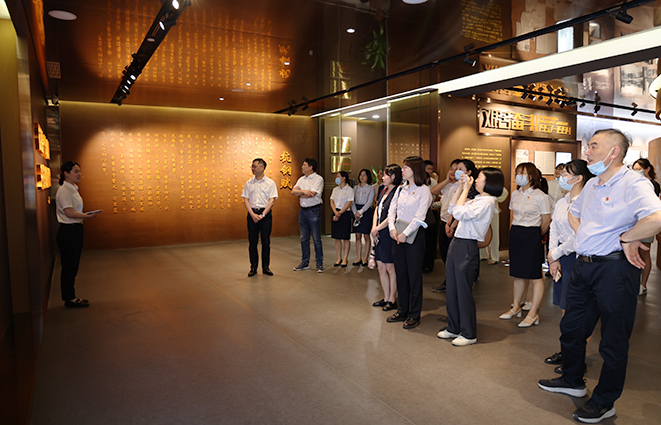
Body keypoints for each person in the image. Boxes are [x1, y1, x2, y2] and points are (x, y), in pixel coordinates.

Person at [538, 129, 661, 424]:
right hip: (584, 267)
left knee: (613, 340)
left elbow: (656, 218)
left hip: (615, 270)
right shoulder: (593, 184)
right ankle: (572, 380)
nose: (587, 151)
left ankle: (605, 402)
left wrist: (626, 237)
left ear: (614, 151)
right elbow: (574, 212)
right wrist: (588, 236)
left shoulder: (634, 183)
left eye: (593, 146)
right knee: (572, 328)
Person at [437, 168, 504, 346]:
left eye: (480, 178)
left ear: (489, 182)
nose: (476, 180)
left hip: (467, 245)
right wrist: (460, 188)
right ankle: (453, 327)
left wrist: (465, 189)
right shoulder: (478, 199)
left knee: (463, 290)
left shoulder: (487, 202)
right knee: (452, 288)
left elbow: (459, 213)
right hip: (457, 243)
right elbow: (453, 208)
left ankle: (468, 333)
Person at [543, 160, 594, 371]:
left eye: (565, 174)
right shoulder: (563, 201)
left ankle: (577, 359)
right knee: (565, 310)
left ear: (579, 178)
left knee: (577, 313)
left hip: (577, 259)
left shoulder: (586, 202)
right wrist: (553, 257)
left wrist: (555, 253)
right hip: (561, 258)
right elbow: (554, 227)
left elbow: (578, 236)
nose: (561, 178)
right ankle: (567, 352)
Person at [500, 162, 551, 327]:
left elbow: (546, 222)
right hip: (516, 233)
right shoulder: (515, 194)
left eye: (522, 173)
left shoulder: (541, 196)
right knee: (518, 273)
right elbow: (513, 216)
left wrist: (536, 235)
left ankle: (533, 313)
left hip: (532, 234)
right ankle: (516, 307)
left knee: (535, 275)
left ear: (531, 176)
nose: (518, 176)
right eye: (517, 172)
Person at [386, 156, 432, 329]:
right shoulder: (400, 189)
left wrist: (405, 233)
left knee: (414, 277)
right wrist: (392, 229)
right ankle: (402, 310)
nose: (402, 170)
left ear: (415, 170)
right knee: (401, 275)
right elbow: (392, 211)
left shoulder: (424, 190)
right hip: (397, 236)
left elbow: (420, 217)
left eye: (406, 168)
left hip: (414, 237)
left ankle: (414, 314)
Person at [55, 161, 102, 308]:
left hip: (75, 230)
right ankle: (69, 299)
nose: (79, 174)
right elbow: (69, 212)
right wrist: (87, 216)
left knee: (73, 265)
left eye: (79, 171)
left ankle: (71, 296)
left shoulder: (73, 189)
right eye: (76, 171)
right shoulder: (64, 191)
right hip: (68, 232)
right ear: (66, 173)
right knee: (69, 266)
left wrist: (84, 216)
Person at [371, 164, 402, 311]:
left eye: (385, 175)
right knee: (381, 267)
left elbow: (392, 216)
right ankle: (385, 297)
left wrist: (378, 228)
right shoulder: (382, 189)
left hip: (389, 232)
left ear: (393, 176)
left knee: (390, 267)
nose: (382, 177)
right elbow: (377, 208)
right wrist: (374, 227)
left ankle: (392, 299)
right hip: (378, 232)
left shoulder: (398, 192)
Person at [241, 158, 278, 277]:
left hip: (265, 215)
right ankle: (253, 267)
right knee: (252, 242)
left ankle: (266, 267)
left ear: (262, 168)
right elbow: (246, 200)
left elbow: (272, 200)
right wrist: (253, 214)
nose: (252, 168)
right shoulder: (249, 183)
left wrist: (262, 215)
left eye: (255, 166)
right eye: (252, 166)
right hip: (252, 214)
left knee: (265, 242)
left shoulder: (270, 183)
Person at [430, 159, 462, 292]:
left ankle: (454, 282)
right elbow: (433, 191)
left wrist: (452, 224)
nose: (453, 172)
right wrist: (447, 180)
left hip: (455, 224)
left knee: (454, 256)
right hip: (444, 222)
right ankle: (449, 280)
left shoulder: (462, 186)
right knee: (445, 254)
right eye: (451, 169)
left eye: (457, 169)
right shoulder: (448, 185)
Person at [632, 158, 660, 295]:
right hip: (633, 222)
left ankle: (643, 284)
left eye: (639, 169)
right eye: (634, 169)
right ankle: (633, 282)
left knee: (644, 252)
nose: (636, 172)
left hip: (647, 222)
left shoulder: (653, 184)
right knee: (633, 251)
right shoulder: (633, 183)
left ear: (647, 169)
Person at [291, 158, 325, 273]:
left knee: (316, 239)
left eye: (304, 165)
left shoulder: (318, 179)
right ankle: (305, 262)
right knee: (303, 238)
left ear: (311, 167)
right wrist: (304, 192)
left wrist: (300, 193)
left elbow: (312, 194)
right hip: (303, 211)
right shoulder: (301, 179)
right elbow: (293, 192)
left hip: (314, 210)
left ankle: (319, 263)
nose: (302, 167)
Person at [329, 171, 353, 267]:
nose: (337, 178)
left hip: (345, 214)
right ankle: (339, 258)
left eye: (338, 176)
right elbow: (331, 201)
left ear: (343, 178)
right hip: (336, 212)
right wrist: (336, 212)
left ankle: (345, 258)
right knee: (337, 237)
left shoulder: (350, 190)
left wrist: (339, 213)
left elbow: (349, 203)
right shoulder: (335, 189)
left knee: (345, 238)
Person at [351, 169, 375, 266]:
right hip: (356, 210)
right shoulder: (355, 188)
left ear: (368, 177)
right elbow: (352, 201)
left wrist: (360, 212)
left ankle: (365, 258)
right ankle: (358, 258)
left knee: (366, 235)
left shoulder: (370, 188)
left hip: (366, 211)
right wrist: (355, 212)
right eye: (361, 175)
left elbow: (369, 202)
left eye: (364, 175)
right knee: (357, 235)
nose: (362, 177)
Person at [479, 186, 508, 265]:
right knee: (481, 232)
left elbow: (504, 192)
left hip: (492, 208)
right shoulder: (478, 182)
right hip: (480, 208)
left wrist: (494, 198)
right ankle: (483, 254)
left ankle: (494, 257)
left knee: (493, 232)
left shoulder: (493, 183)